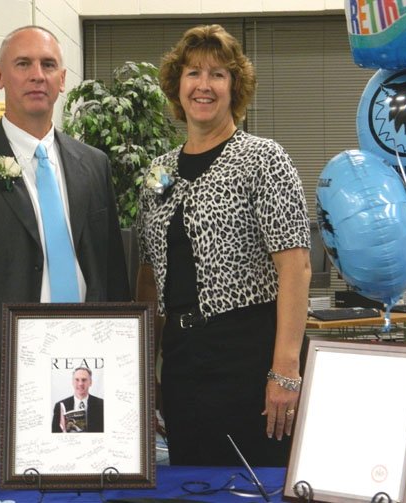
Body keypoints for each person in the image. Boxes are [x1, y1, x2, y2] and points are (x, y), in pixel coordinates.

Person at [0, 25, 130, 460]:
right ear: (0, 76)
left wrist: (128, 383)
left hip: (89, 374)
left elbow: (112, 276)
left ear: (62, 79)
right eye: (23, 64)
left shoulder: (94, 166)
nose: (37, 75)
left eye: (48, 65)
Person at [136, 24, 311, 467]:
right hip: (180, 361)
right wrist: (143, 369)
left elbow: (296, 268)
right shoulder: (157, 172)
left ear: (235, 87)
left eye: (218, 74)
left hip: (249, 358)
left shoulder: (263, 159)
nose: (204, 85)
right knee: (190, 481)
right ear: (178, 85)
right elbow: (150, 274)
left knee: (256, 484)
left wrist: (285, 372)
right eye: (194, 73)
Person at [51, 367, 104, 433]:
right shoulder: (60, 406)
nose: (80, 383)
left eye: (84, 380)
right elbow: (55, 433)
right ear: (72, 382)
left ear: (90, 382)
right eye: (77, 380)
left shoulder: (102, 405)